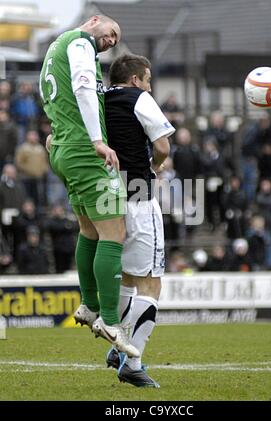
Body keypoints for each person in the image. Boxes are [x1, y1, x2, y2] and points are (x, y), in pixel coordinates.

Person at [40, 15, 139, 358]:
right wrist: (97, 140)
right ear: (94, 20)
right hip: (85, 151)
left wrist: (58, 133)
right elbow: (82, 87)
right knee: (114, 232)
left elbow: (53, 95)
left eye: (116, 40)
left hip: (65, 149)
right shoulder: (80, 42)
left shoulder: (55, 47)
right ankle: (111, 321)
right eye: (112, 32)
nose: (112, 41)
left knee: (90, 231)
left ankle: (88, 306)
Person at [104, 54, 175, 387]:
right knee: (150, 281)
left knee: (128, 278)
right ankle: (133, 361)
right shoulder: (140, 98)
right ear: (135, 80)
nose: (149, 85)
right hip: (138, 196)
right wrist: (154, 165)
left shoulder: (100, 99)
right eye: (147, 79)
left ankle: (118, 347)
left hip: (107, 197)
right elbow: (162, 145)